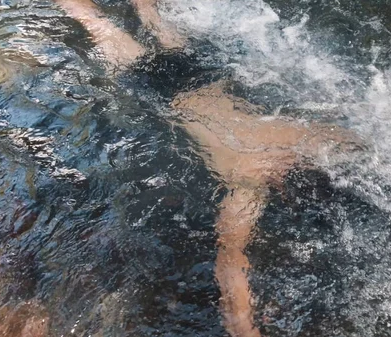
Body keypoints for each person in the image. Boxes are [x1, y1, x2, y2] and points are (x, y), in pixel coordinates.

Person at [53, 0, 363, 335]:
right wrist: (243, 327)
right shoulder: (249, 183)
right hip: (164, 92)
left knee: (149, 12)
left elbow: (360, 143)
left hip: (204, 76)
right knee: (89, 19)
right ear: (284, 192)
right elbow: (230, 258)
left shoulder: (311, 138)